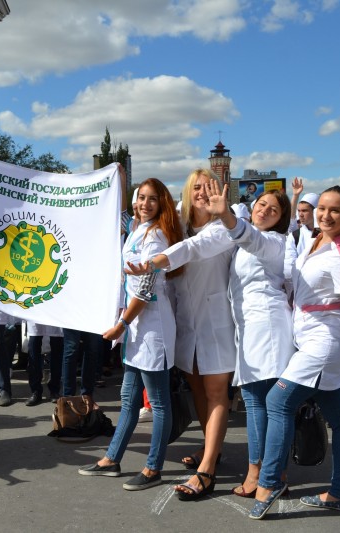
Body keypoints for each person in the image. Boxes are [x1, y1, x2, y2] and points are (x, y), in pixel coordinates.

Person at [248, 186, 340, 520]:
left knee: (277, 402)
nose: (326, 215)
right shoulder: (316, 238)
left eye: (335, 211)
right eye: (323, 209)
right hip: (313, 339)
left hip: (325, 341)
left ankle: (270, 481)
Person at [78, 178, 183, 491]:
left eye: (152, 199)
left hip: (152, 328)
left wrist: (122, 324)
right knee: (127, 399)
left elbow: (146, 289)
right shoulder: (141, 229)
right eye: (141, 198)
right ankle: (112, 459)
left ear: (162, 203)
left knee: (160, 404)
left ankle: (153, 468)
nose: (144, 204)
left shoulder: (158, 237)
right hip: (136, 328)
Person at [140, 169, 236, 500]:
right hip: (185, 325)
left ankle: (207, 469)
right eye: (196, 187)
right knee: (197, 390)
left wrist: (157, 260)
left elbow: (194, 248)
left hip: (216, 322)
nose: (201, 193)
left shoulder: (224, 227)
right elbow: (149, 212)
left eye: (208, 187)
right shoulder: (178, 225)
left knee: (215, 393)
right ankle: (212, 448)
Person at [200, 181, 296, 498]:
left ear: (281, 217)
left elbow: (248, 236)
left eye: (274, 208)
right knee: (264, 404)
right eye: (261, 203)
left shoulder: (272, 241)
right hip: (251, 328)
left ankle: (259, 472)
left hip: (266, 327)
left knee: (259, 403)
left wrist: (226, 214)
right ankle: (274, 470)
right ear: (252, 206)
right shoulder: (244, 243)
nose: (265, 209)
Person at [25, 321, 64, 405]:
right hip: (36, 313)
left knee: (57, 348)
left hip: (54, 313)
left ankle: (55, 390)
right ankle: (35, 391)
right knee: (33, 348)